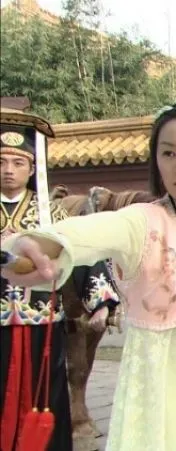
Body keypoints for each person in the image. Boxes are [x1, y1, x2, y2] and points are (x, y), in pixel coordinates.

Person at [1, 100, 176, 450]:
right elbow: (85, 233)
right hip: (166, 396)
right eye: (168, 153)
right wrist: (33, 244)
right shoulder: (142, 223)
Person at [0, 107, 72, 451]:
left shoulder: (50, 212)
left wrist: (101, 299)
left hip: (41, 319)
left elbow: (77, 253)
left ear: (32, 169)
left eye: (18, 163)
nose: (8, 170)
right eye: (1, 162)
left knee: (45, 394)